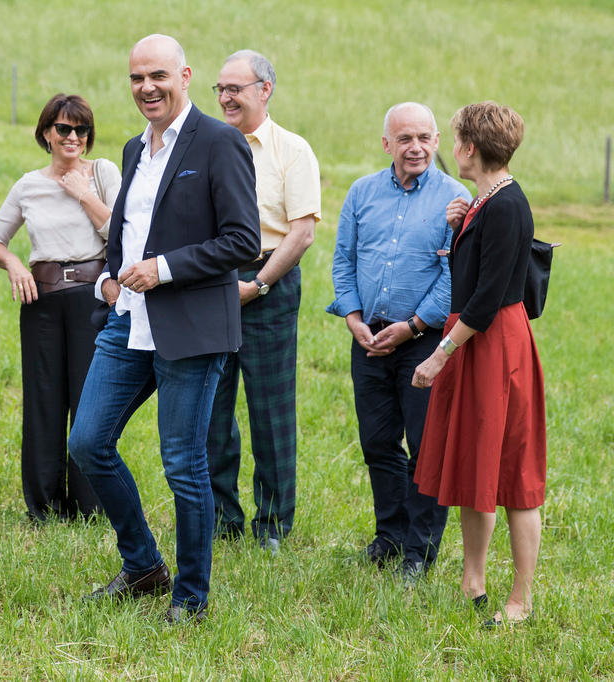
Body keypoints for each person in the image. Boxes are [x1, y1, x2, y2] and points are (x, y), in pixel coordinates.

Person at [67, 35, 261, 625]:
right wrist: (109, 275)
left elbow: (243, 241)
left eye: (158, 75)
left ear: (184, 75)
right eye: (136, 79)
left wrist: (164, 269)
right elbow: (129, 227)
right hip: (127, 322)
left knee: (183, 463)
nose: (146, 87)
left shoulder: (221, 142)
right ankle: (144, 565)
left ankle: (191, 596)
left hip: (192, 326)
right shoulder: (133, 148)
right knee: (88, 443)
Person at [413, 102, 545, 627]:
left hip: (492, 346)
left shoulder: (508, 205)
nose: (451, 147)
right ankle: (473, 580)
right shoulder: (484, 201)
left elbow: (487, 300)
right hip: (475, 340)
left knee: (513, 473)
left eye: (455, 139)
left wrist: (439, 355)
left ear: (470, 148)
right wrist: (461, 223)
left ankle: (520, 600)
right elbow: (476, 271)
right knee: (473, 460)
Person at [327, 102, 470, 583]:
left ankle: (419, 551)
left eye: (425, 138)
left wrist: (411, 326)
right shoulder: (361, 192)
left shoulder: (457, 199)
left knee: (425, 446)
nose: (416, 148)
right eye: (405, 139)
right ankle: (388, 537)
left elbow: (455, 277)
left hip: (423, 342)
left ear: (436, 142)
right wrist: (352, 317)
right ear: (386, 143)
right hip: (367, 338)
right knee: (377, 443)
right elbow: (343, 260)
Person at [206, 49, 321, 555]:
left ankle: (273, 524)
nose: (227, 97)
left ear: (265, 90)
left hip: (269, 281)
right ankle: (220, 515)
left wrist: (258, 285)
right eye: (221, 89)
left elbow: (301, 234)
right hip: (211, 282)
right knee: (210, 405)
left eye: (237, 88)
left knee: (271, 411)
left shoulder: (292, 150)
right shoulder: (206, 146)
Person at [0, 94, 120, 522]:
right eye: (63, 128)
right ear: (46, 132)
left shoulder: (102, 174)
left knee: (89, 399)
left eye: (81, 130)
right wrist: (12, 265)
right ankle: (44, 506)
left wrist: (84, 194)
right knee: (43, 399)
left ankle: (90, 506)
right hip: (40, 300)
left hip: (92, 299)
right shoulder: (29, 185)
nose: (73, 137)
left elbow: (122, 234)